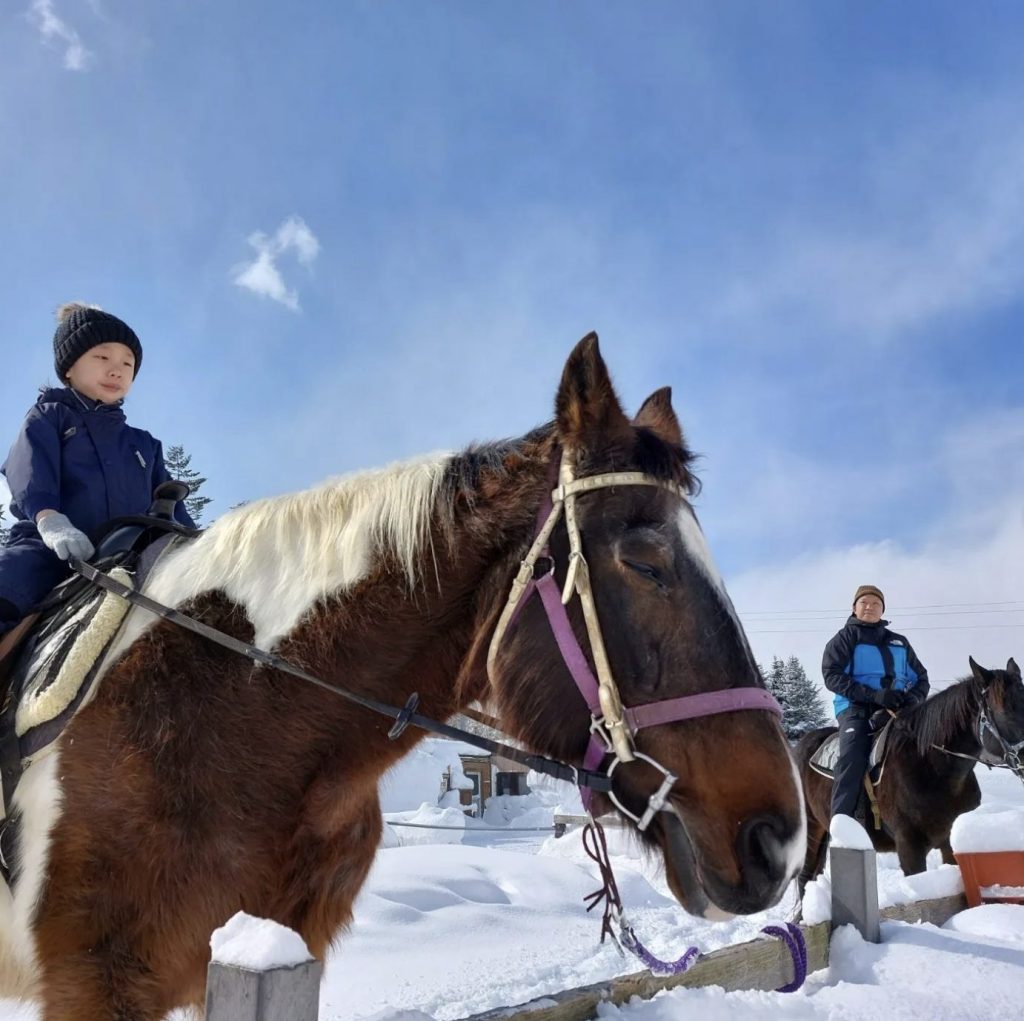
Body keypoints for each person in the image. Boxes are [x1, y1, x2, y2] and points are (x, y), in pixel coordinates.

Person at [0, 303, 195, 636]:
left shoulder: (144, 445)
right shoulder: (49, 416)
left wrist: (195, 544)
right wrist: (50, 520)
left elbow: (171, 510)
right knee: (7, 580)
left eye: (127, 364)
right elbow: (30, 470)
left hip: (131, 556)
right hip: (50, 551)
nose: (116, 370)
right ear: (69, 370)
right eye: (102, 358)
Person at [822, 584, 929, 819]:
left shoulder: (899, 642)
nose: (869, 607)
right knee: (852, 756)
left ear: (883, 610)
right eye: (864, 602)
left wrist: (913, 698)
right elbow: (832, 675)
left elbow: (921, 678)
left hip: (897, 708)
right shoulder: (844, 639)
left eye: (875, 603)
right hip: (854, 708)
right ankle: (843, 823)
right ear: (854, 608)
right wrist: (873, 695)